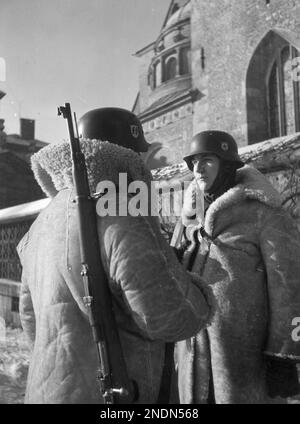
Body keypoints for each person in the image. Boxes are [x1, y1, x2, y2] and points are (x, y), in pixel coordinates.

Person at [16, 108, 213, 404]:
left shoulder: (43, 221)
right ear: (127, 154)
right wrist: (199, 293)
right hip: (115, 396)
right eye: (140, 153)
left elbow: (30, 318)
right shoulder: (122, 211)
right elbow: (167, 319)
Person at [175, 130, 300, 404]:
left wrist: (286, 354)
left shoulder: (264, 213)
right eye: (193, 162)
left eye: (207, 160)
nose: (198, 169)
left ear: (228, 164)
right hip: (191, 350)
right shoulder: (189, 216)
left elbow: (291, 287)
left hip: (242, 358)